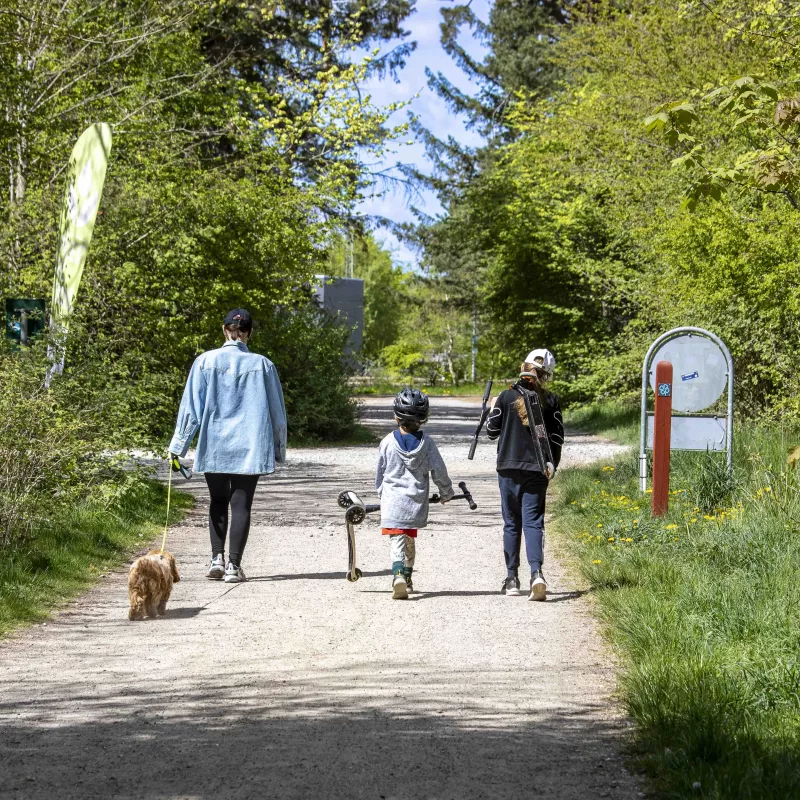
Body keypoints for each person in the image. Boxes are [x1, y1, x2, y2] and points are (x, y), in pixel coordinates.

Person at [168, 308, 287, 583]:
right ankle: (234, 566)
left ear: (225, 330)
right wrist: (279, 449)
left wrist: (179, 445)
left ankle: (216, 559)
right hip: (251, 445)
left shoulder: (204, 362)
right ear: (249, 333)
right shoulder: (263, 365)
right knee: (241, 504)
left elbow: (191, 408)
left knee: (218, 500)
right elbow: (277, 412)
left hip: (216, 444)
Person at [486, 348, 563, 601]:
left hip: (508, 467)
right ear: (546, 375)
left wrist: (491, 408)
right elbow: (557, 439)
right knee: (533, 523)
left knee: (511, 523)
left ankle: (511, 579)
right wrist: (552, 467)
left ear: (524, 366)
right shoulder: (551, 402)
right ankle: (537, 574)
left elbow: (491, 432)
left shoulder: (506, 397)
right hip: (537, 468)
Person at [375, 388, 455, 599]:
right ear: (424, 419)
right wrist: (446, 492)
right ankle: (407, 577)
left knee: (396, 540)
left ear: (396, 416)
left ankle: (398, 575)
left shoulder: (386, 442)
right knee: (409, 540)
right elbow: (440, 471)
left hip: (393, 502)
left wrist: (381, 495)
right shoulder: (427, 444)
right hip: (415, 504)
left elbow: (380, 473)